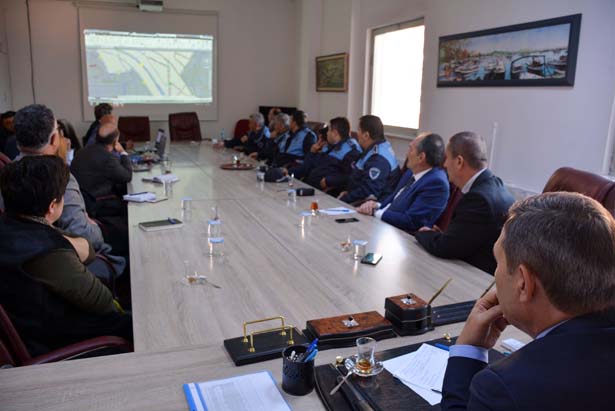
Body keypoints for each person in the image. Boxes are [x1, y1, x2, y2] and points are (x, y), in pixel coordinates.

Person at [441, 192, 615, 410]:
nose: (496, 274)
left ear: (523, 283)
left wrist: (468, 350)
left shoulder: (505, 388)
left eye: (498, 262)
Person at [0, 155, 133, 356]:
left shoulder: (13, 225)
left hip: (33, 328)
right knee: (135, 324)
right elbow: (103, 302)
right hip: (57, 340)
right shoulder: (47, 252)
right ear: (52, 206)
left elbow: (86, 250)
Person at [0, 104, 126, 281]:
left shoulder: (7, 172)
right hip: (66, 262)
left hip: (19, 264)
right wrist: (93, 226)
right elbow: (82, 233)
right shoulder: (59, 176)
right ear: (54, 139)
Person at [415, 131, 514, 274]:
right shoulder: (494, 184)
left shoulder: (478, 198)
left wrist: (424, 233)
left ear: (459, 162)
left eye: (447, 158)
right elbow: (468, 237)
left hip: (477, 277)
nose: (444, 164)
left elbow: (446, 248)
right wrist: (447, 235)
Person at [357, 132, 449, 233]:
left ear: (421, 157)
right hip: (385, 225)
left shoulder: (436, 184)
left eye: (410, 149)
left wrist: (375, 212)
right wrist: (377, 205)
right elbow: (394, 199)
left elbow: (411, 221)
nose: (407, 154)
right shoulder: (411, 172)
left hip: (401, 236)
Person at [71, 123, 133, 217]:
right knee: (131, 206)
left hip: (82, 201)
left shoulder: (81, 152)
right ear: (115, 141)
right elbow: (127, 176)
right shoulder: (108, 158)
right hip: (98, 204)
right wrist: (122, 152)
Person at [288, 117, 362, 195]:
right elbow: (308, 167)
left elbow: (351, 176)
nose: (327, 133)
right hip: (308, 186)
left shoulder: (352, 150)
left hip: (324, 193)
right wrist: (312, 153)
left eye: (329, 130)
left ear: (335, 133)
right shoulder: (329, 146)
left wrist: (329, 180)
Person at [338, 115, 400, 205]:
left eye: (359, 129)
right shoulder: (379, 147)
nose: (357, 133)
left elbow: (369, 193)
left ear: (366, 135)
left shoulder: (378, 159)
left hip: (369, 206)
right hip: (358, 199)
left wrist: (345, 199)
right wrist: (348, 192)